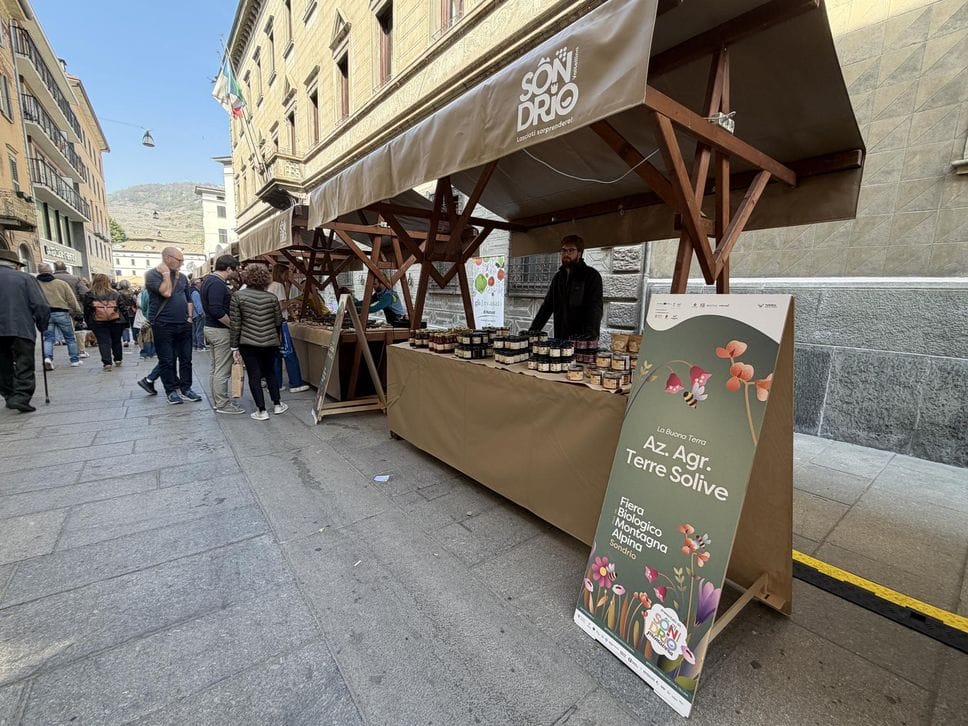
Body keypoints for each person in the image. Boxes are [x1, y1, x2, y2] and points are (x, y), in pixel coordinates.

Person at [229, 264, 288, 421]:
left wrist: (234, 346)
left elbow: (235, 324)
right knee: (270, 372)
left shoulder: (238, 297)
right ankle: (277, 404)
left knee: (254, 375)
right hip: (270, 342)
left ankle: (261, 410)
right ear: (265, 279)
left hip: (248, 343)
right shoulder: (272, 298)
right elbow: (278, 321)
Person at [144, 246, 201, 404]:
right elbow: (166, 292)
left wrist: (189, 317)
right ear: (167, 258)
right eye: (179, 260)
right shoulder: (152, 275)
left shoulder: (182, 277)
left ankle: (186, 388)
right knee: (167, 360)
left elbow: (188, 298)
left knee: (186, 359)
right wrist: (166, 274)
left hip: (183, 323)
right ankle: (171, 391)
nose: (182, 263)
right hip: (163, 324)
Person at [0, 249, 50, 412]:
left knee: (2, 364)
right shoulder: (25, 278)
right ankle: (21, 396)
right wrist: (42, 324)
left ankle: (9, 394)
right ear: (15, 265)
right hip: (20, 326)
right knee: (24, 362)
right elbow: (40, 305)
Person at [528, 234, 603, 340]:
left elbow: (595, 308)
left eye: (571, 250)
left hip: (581, 339)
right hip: (560, 338)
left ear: (579, 253)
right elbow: (547, 307)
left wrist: (590, 335)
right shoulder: (558, 277)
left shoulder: (591, 276)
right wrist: (533, 330)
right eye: (563, 250)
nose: (566, 254)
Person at [201, 254, 243, 414]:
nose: (237, 273)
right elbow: (217, 310)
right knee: (222, 369)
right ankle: (222, 404)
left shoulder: (208, 281)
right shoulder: (217, 284)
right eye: (236, 269)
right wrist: (234, 326)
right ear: (228, 268)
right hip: (219, 331)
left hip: (211, 329)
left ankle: (218, 401)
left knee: (215, 368)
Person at [267, 263, 309, 393]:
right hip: (280, 323)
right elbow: (280, 306)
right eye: (288, 273)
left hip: (272, 324)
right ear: (282, 274)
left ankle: (276, 384)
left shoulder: (271, 286)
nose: (289, 276)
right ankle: (295, 383)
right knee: (289, 353)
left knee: (276, 355)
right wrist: (293, 301)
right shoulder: (278, 285)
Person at [36, 263, 82, 369]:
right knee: (70, 338)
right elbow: (71, 299)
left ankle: (48, 358)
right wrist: (77, 311)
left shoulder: (36, 284)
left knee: (48, 338)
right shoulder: (61, 283)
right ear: (51, 271)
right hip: (61, 312)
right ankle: (74, 360)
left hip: (45, 314)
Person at [83, 274, 129, 371]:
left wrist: (88, 322)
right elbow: (123, 308)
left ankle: (107, 363)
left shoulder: (90, 294)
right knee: (116, 341)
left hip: (98, 322)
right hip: (116, 321)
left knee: (103, 342)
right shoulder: (115, 294)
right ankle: (118, 359)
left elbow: (87, 310)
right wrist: (126, 322)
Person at [52, 262, 89, 359]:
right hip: (74, 307)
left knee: (54, 333)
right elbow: (84, 292)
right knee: (78, 329)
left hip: (56, 307)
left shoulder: (50, 279)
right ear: (66, 268)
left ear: (55, 268)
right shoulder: (76, 278)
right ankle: (81, 351)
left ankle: (49, 356)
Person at [190, 279, 205, 350]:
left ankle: (194, 345)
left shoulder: (191, 291)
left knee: (194, 330)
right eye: (200, 282)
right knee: (199, 330)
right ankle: (200, 346)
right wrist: (201, 313)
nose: (201, 284)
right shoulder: (195, 292)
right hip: (197, 314)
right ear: (196, 284)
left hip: (193, 314)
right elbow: (198, 304)